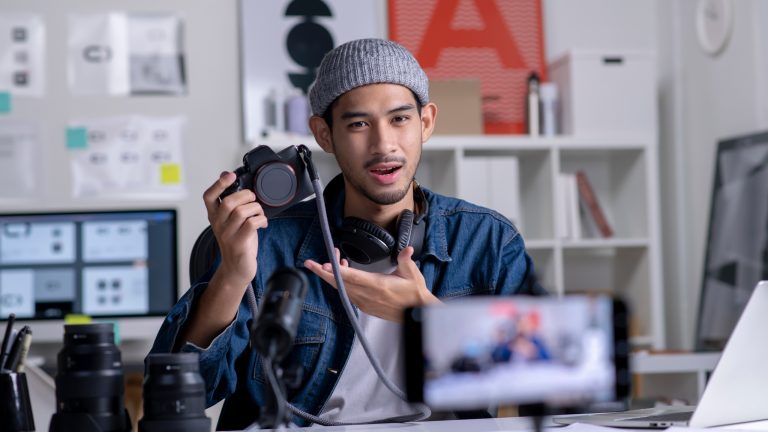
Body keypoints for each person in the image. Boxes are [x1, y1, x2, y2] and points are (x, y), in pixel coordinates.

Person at [147, 38, 544, 429]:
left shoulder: (487, 239)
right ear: (324, 134)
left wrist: (427, 318)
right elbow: (176, 395)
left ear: (425, 123)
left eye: (400, 119)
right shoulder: (268, 241)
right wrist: (233, 274)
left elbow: (544, 379)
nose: (383, 144)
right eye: (358, 124)